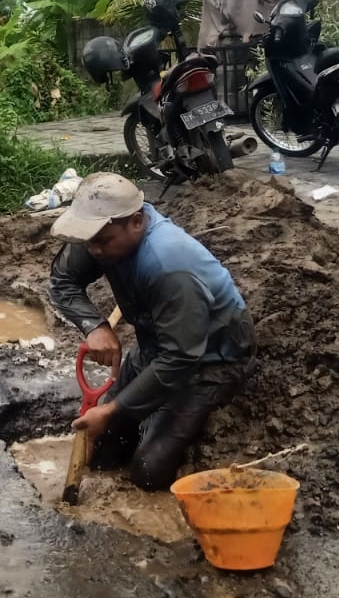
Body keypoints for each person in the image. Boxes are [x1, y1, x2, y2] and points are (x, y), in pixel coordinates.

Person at [47, 173, 256, 491]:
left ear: (137, 222)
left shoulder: (170, 264)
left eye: (102, 241)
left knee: (147, 471)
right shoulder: (99, 236)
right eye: (89, 241)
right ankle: (148, 412)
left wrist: (114, 408)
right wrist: (96, 326)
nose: (94, 250)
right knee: (103, 454)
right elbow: (63, 281)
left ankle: (174, 425)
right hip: (156, 345)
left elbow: (181, 357)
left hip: (211, 361)